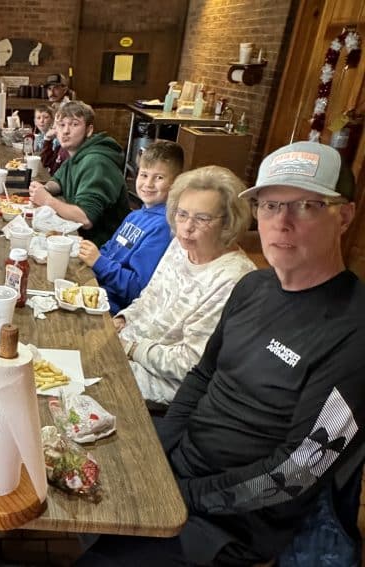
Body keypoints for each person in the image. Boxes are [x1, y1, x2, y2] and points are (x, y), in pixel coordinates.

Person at [79, 141, 364, 566]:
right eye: (269, 205)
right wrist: (159, 454)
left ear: (343, 216)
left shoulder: (354, 330)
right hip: (184, 466)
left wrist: (184, 494)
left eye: (305, 206)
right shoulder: (253, 288)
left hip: (237, 518)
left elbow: (298, 470)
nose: (281, 223)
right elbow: (201, 376)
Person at [115, 165, 255, 407]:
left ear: (228, 222)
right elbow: (149, 297)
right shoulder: (182, 245)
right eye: (182, 214)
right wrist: (122, 320)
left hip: (160, 385)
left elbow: (190, 362)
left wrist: (131, 348)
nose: (187, 227)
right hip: (129, 349)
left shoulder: (234, 279)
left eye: (202, 219)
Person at [78, 140, 184, 312]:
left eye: (159, 178)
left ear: (176, 182)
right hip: (96, 286)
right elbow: (108, 249)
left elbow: (138, 289)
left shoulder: (164, 227)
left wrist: (99, 262)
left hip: (113, 306)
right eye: (144, 175)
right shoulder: (135, 215)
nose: (148, 184)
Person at [29, 101, 130, 245]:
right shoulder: (76, 153)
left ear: (89, 130)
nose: (65, 131)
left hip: (102, 248)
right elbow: (58, 181)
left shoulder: (96, 162)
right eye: (62, 125)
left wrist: (46, 200)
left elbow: (85, 218)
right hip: (80, 238)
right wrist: (43, 189)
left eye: (74, 124)